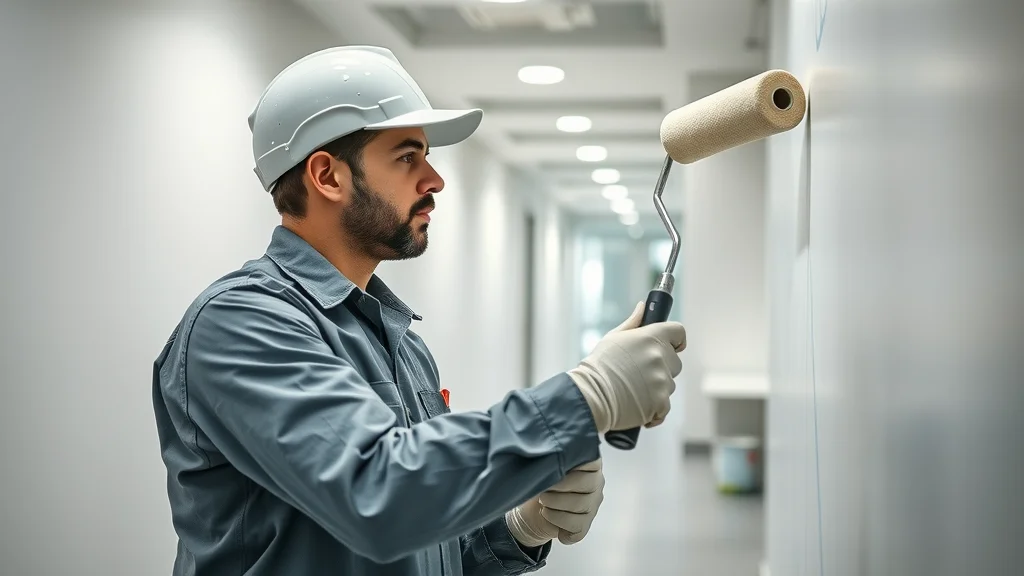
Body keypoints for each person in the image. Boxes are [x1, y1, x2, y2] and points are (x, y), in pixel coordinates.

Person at [151, 45, 687, 576]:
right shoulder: (240, 324)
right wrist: (587, 395)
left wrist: (520, 525)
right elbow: (376, 495)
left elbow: (422, 536)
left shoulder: (400, 341)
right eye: (408, 157)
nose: (434, 179)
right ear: (327, 176)